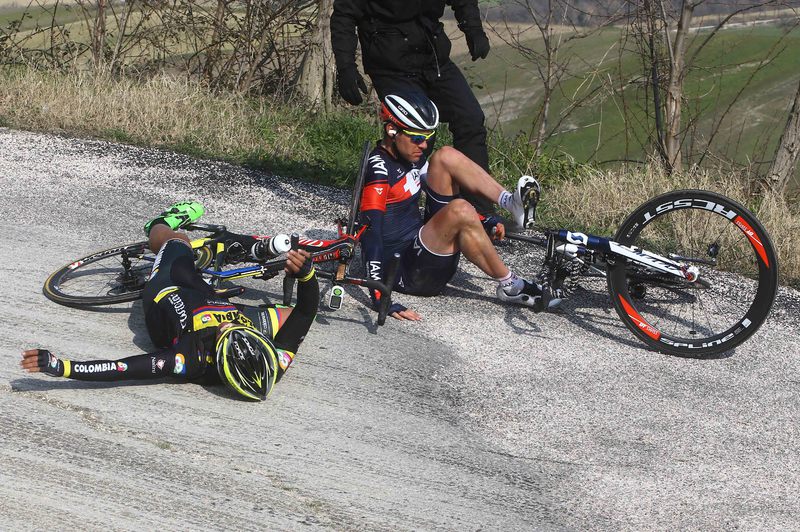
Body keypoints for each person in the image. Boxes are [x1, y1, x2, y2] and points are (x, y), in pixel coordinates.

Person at [21, 202, 319, 401]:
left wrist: (61, 367)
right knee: (289, 315)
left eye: (226, 332)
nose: (229, 325)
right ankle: (243, 253)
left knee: (177, 243)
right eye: (238, 329)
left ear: (218, 357)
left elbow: (121, 368)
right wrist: (306, 275)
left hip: (170, 289)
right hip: (209, 299)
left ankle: (162, 222)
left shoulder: (186, 362)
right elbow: (305, 313)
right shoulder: (273, 364)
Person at [360, 92, 560, 321]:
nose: (424, 145)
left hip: (421, 247)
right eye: (417, 138)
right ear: (391, 131)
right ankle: (511, 286)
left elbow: (444, 196)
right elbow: (370, 234)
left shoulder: (409, 158)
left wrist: (483, 220)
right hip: (405, 273)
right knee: (461, 209)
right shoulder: (378, 170)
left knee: (446, 156)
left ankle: (510, 202)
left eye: (427, 137)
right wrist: (380, 297)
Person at [330, 0, 496, 216]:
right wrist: (346, 67)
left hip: (433, 58)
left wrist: (474, 30)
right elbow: (344, 14)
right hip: (391, 64)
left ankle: (480, 211)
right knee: (417, 133)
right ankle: (393, 204)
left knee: (470, 119)